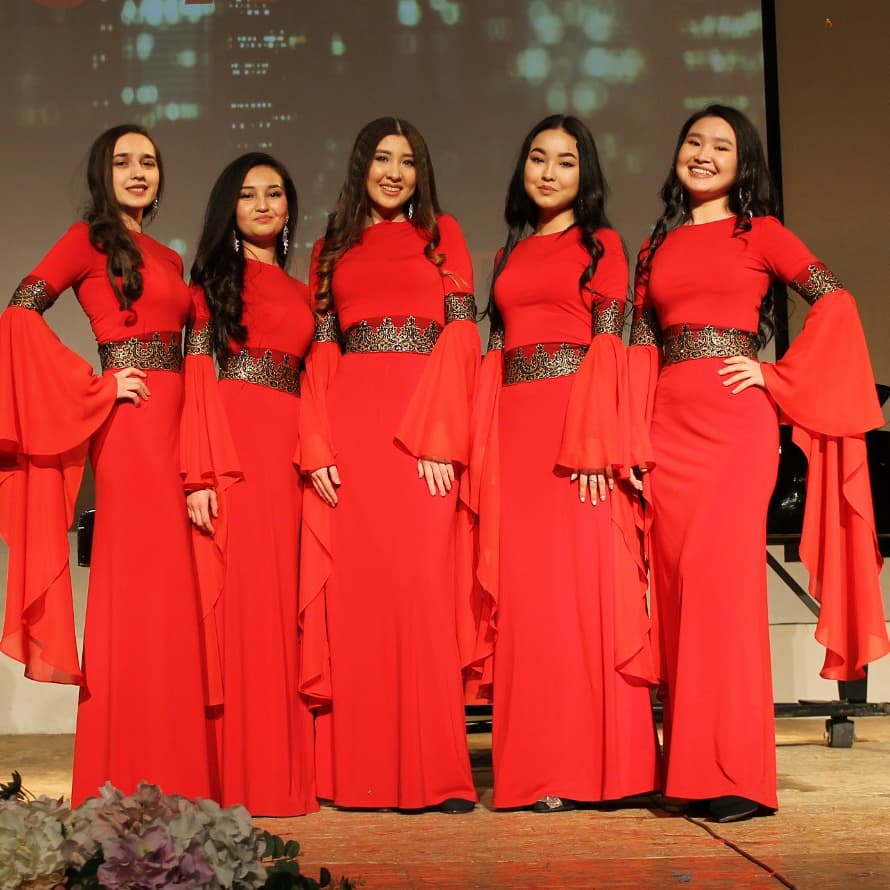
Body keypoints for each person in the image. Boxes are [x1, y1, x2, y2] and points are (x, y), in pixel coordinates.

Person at [629, 104, 889, 822]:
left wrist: (775, 377)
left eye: (721, 146)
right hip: (666, 430)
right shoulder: (654, 247)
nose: (703, 154)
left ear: (742, 166)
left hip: (732, 431)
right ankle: (690, 772)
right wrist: (630, 438)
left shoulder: (761, 233)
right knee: (678, 596)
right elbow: (639, 349)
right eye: (694, 142)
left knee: (723, 594)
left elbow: (836, 301)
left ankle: (738, 776)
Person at [0, 124, 211, 804]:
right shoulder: (87, 240)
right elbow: (20, 313)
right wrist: (96, 386)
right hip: (132, 432)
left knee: (174, 597)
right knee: (137, 590)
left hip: (178, 429)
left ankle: (175, 768)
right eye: (123, 162)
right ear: (103, 173)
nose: (138, 172)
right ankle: (119, 770)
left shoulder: (169, 258)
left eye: (148, 161)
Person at [467, 115, 659, 812]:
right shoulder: (505, 256)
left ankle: (608, 772)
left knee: (588, 594)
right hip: (516, 435)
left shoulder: (602, 245)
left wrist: (595, 440)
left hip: (577, 434)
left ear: (586, 174)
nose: (549, 172)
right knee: (530, 603)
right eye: (538, 159)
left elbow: (610, 347)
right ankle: (537, 772)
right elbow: (495, 354)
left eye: (566, 161)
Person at [299, 116, 479, 813]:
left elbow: (462, 336)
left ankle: (438, 776)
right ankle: (358, 775)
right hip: (353, 435)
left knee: (423, 592)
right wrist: (316, 441)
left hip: (421, 437)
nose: (394, 173)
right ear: (361, 166)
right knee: (358, 602)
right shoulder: (329, 250)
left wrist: (441, 435)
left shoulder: (443, 236)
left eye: (407, 161)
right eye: (382, 158)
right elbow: (322, 353)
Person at [182, 153, 318, 816]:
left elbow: (318, 379)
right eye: (247, 195)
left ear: (289, 207)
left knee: (284, 608)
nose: (262, 204)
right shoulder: (210, 285)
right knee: (242, 609)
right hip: (234, 453)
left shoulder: (304, 293)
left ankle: (280, 774)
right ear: (229, 209)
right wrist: (198, 472)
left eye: (274, 194)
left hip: (289, 453)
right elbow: (197, 381)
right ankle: (236, 777)